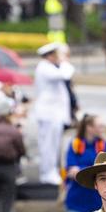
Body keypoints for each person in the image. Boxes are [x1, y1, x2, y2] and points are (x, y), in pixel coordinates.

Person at [32, 42, 74, 185]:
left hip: (53, 113)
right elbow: (66, 73)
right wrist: (64, 61)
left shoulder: (48, 67)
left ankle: (50, 172)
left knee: (52, 144)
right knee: (49, 145)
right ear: (50, 55)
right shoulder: (45, 67)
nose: (59, 58)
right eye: (57, 55)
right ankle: (47, 173)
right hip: (49, 113)